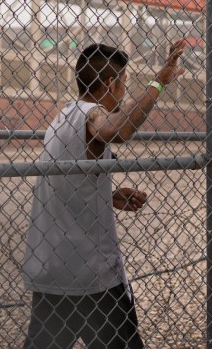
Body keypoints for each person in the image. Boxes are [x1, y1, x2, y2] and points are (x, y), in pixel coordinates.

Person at [21, 40, 185, 349]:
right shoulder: (91, 115)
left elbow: (65, 181)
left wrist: (104, 196)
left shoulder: (62, 117)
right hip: (92, 277)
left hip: (54, 270)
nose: (125, 90)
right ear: (111, 83)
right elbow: (116, 131)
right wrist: (158, 83)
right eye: (125, 82)